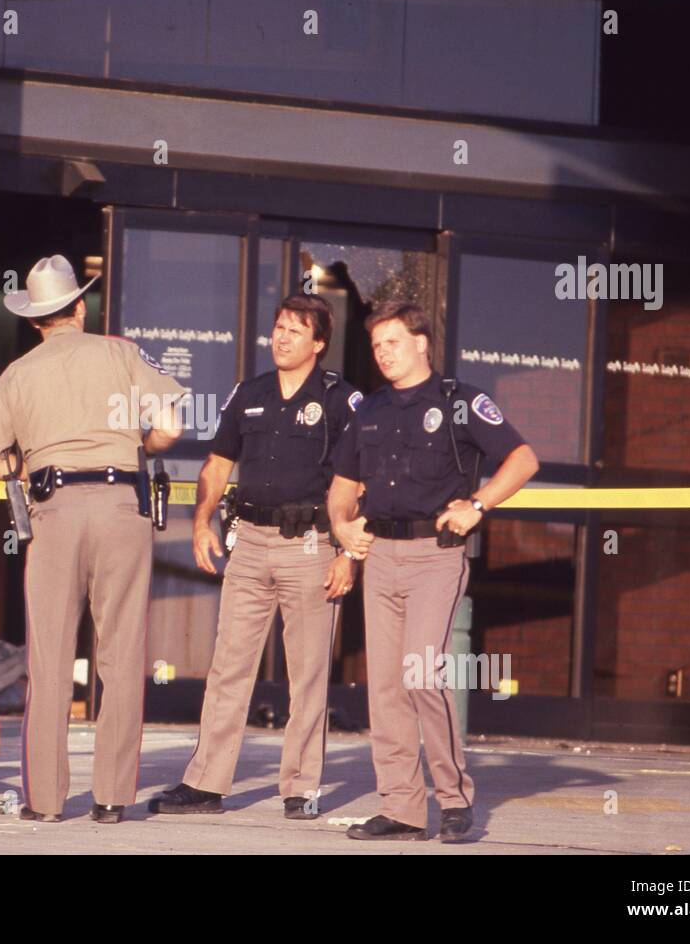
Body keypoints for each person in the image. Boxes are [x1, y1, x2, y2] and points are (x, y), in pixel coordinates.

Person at [0, 254, 185, 824]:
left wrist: (27, 456)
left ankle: (44, 800)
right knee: (119, 652)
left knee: (49, 656)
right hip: (123, 507)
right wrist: (139, 448)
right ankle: (113, 797)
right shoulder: (119, 352)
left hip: (54, 509)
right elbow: (170, 426)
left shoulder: (18, 372)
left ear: (36, 320)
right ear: (79, 307)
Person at [327, 301, 538, 842]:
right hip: (379, 557)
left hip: (435, 554)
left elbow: (522, 459)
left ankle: (453, 797)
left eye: (392, 342)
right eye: (376, 346)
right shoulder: (368, 410)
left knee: (422, 676)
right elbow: (343, 489)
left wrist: (479, 504)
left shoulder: (461, 402)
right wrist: (342, 530)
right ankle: (400, 808)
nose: (383, 353)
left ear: (421, 343)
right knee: (386, 689)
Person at [149, 294, 360, 820]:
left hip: (311, 547)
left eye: (296, 330)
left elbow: (357, 481)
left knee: (307, 674)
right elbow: (218, 464)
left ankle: (300, 787)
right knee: (228, 668)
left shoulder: (339, 399)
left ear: (318, 344)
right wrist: (201, 521)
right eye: (279, 327)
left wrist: (347, 554)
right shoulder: (250, 393)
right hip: (249, 546)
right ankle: (205, 784)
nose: (282, 337)